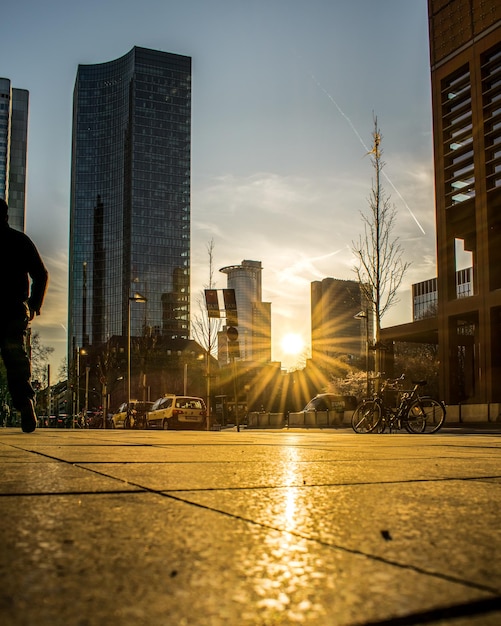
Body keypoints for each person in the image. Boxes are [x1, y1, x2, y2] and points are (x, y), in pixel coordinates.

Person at [0, 198, 48, 432]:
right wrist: (34, 304)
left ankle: (26, 404)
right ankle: (26, 402)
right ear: (6, 217)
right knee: (15, 358)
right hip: (12, 309)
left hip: (9, 309)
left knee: (15, 358)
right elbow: (41, 273)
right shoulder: (20, 241)